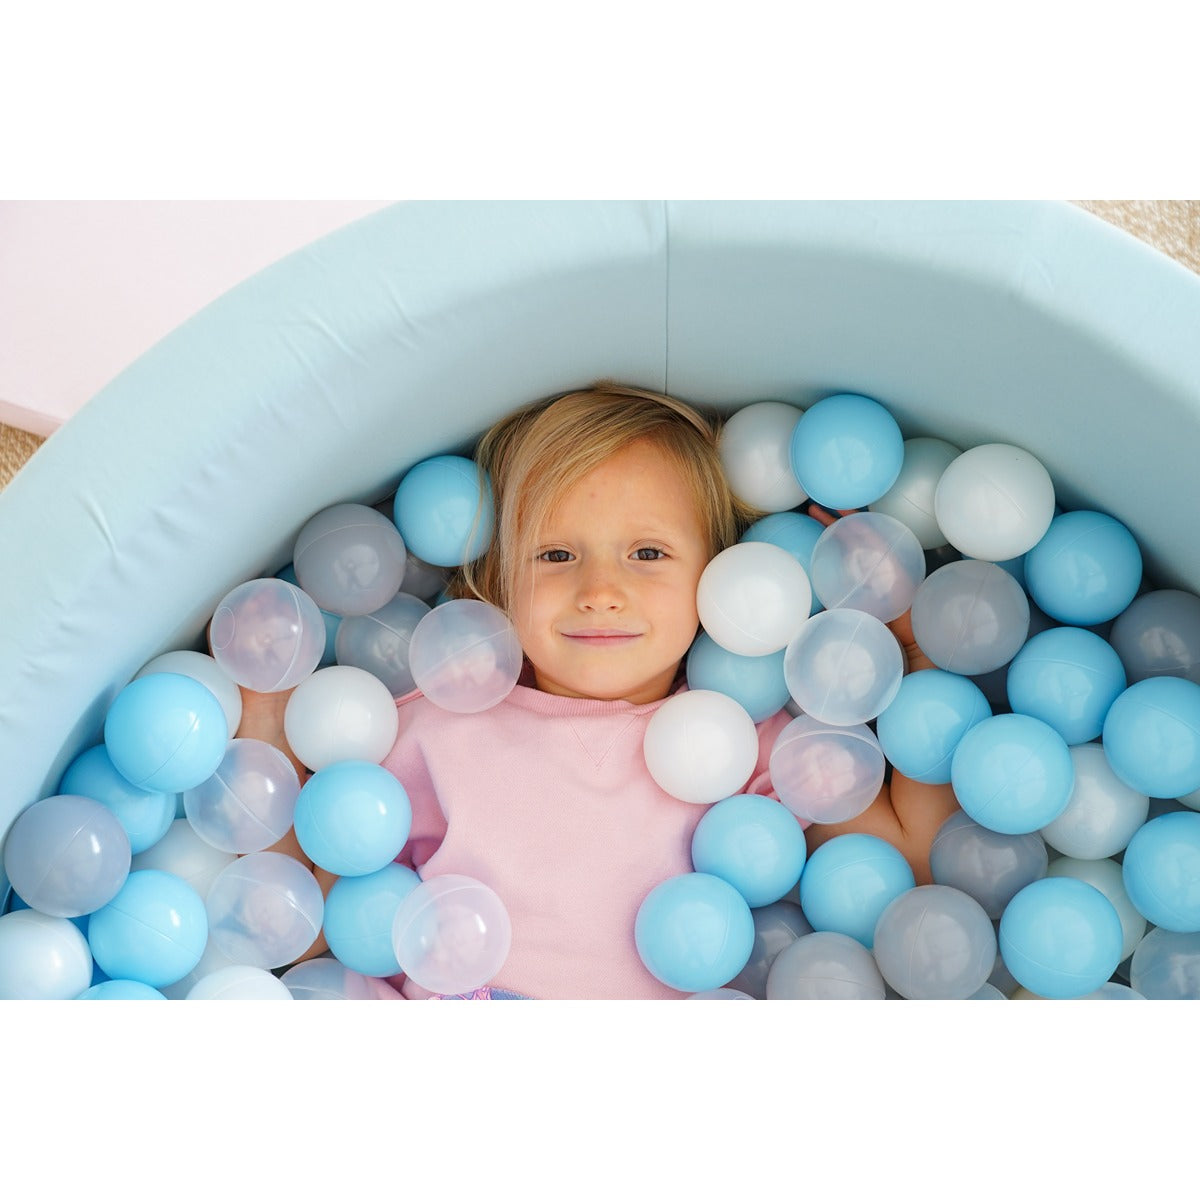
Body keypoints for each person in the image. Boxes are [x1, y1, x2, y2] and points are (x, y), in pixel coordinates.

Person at [238, 382, 958, 996]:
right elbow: (301, 930)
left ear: (719, 575)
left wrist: (910, 645)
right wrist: (266, 718)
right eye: (556, 554)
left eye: (648, 553)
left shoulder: (752, 748)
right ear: (497, 580)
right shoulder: (433, 728)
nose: (601, 590)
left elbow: (920, 864)